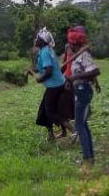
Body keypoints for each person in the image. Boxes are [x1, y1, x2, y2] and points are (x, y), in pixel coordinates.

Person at [64, 26, 101, 164]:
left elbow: (95, 71)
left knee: (80, 125)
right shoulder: (76, 55)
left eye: (71, 43)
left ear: (75, 43)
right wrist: (71, 80)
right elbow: (73, 71)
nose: (69, 46)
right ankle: (89, 156)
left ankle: (88, 158)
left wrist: (74, 78)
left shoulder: (84, 55)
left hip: (83, 91)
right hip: (79, 89)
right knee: (82, 124)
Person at [31, 28, 72, 140]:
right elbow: (46, 68)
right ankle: (52, 135)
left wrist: (40, 79)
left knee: (50, 111)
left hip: (54, 86)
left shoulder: (44, 52)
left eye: (37, 38)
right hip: (59, 83)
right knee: (46, 109)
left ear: (42, 41)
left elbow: (48, 70)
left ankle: (73, 130)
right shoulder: (48, 50)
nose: (36, 40)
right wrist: (35, 71)